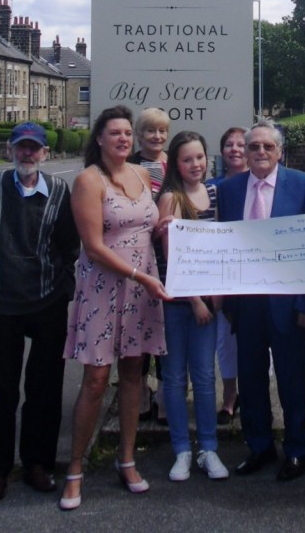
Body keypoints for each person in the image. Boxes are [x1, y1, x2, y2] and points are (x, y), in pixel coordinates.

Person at [0, 121, 80, 504]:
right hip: (3, 301)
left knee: (44, 388)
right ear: (11, 151)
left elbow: (69, 246)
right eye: (21, 147)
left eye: (34, 148)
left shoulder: (59, 191)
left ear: (45, 153)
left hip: (47, 300)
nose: (27, 154)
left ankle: (37, 464)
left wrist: (63, 289)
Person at [60, 107, 170, 511]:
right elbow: (94, 247)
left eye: (128, 133)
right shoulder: (89, 181)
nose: (124, 138)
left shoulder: (144, 175)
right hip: (105, 288)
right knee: (95, 378)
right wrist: (141, 277)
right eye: (115, 133)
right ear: (100, 139)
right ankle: (74, 470)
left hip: (143, 290)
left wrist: (169, 226)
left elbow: (149, 224)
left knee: (133, 376)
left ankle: (127, 459)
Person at [218, 121, 305, 482]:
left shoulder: (303, 185)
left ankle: (297, 450)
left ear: (279, 151)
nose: (260, 152)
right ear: (244, 152)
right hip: (245, 304)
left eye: (267, 147)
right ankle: (259, 446)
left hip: (289, 303)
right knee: (250, 378)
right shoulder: (229, 190)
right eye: (253, 147)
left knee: (293, 379)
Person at [158, 131, 230, 482]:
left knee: (204, 377)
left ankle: (208, 449)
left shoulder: (214, 193)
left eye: (200, 157)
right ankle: (182, 450)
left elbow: (224, 245)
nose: (195, 165)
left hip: (210, 301)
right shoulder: (171, 199)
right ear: (176, 163)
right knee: (173, 378)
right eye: (187, 159)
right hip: (178, 303)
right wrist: (197, 300)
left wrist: (217, 294)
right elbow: (174, 260)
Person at [130, 107, 170, 421]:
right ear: (139, 134)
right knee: (140, 326)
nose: (156, 137)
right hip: (137, 257)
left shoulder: (174, 164)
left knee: (167, 327)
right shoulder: (127, 166)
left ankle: (168, 393)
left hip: (169, 257)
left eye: (161, 131)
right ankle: (141, 394)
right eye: (150, 131)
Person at [215, 126, 247, 424]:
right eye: (229, 145)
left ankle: (250, 393)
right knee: (225, 338)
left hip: (254, 274)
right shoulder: (212, 187)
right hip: (222, 273)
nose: (235, 149)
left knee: (256, 338)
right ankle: (229, 395)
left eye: (241, 144)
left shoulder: (261, 184)